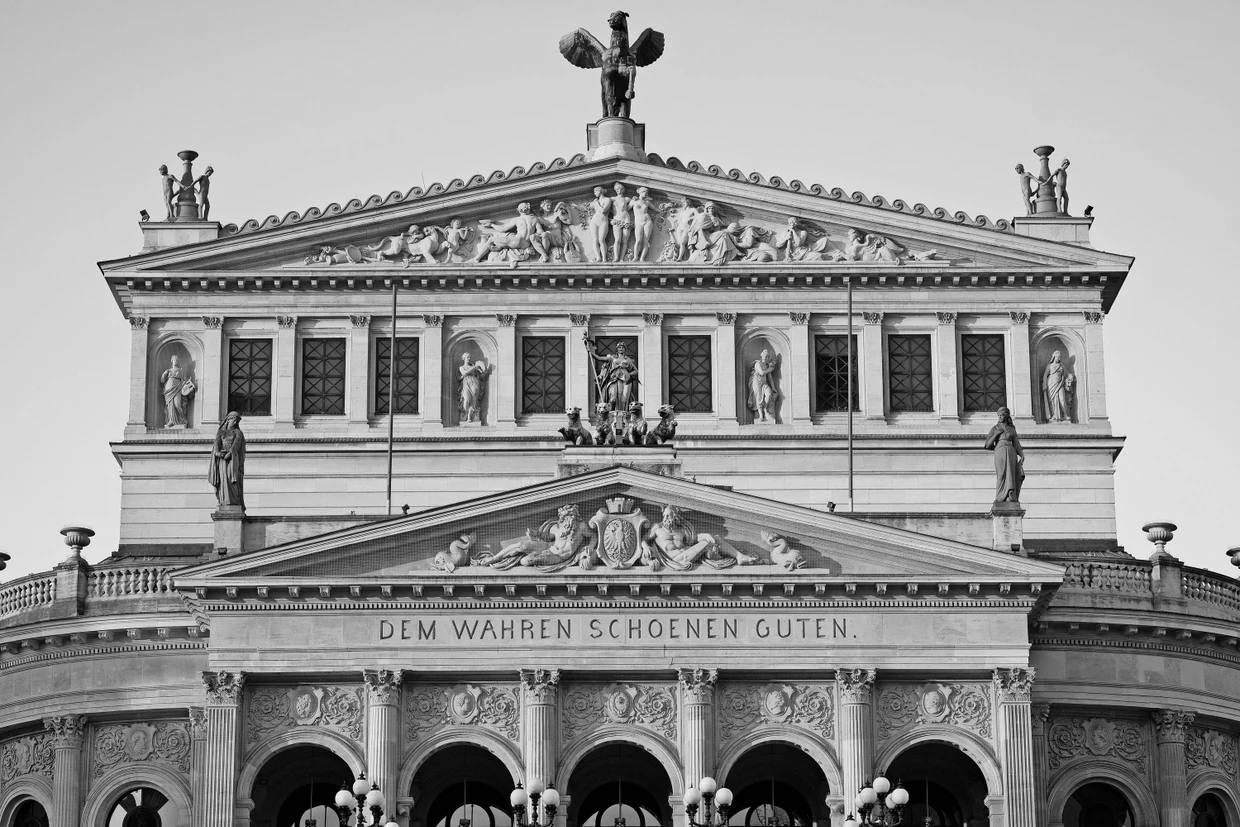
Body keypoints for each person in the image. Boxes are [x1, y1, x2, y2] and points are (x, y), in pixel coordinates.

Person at [585, 339, 638, 421]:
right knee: (612, 399)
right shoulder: (612, 358)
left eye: (622, 347)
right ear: (617, 349)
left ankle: (622, 418)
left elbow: (635, 371)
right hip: (614, 380)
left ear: (625, 349)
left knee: (624, 400)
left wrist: (629, 374)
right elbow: (598, 358)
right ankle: (609, 417)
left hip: (626, 381)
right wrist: (590, 352)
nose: (621, 349)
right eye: (619, 347)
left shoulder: (628, 360)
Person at [983, 407, 1024, 503]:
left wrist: (1021, 454)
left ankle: (1010, 495)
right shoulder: (995, 428)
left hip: (1011, 452)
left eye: (1002, 415)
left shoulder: (1011, 429)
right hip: (1000, 452)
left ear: (1006, 416)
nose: (1000, 417)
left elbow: (1016, 443)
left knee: (1011, 474)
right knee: (1001, 475)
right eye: (999, 415)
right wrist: (995, 435)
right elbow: (987, 445)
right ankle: (999, 497)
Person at [208, 412, 246, 508]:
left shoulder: (238, 432)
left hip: (233, 459)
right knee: (224, 478)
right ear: (228, 420)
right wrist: (217, 453)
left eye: (237, 421)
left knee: (232, 479)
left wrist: (230, 453)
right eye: (233, 419)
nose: (235, 422)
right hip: (222, 459)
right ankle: (225, 500)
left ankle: (233, 500)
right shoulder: (221, 431)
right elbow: (217, 443)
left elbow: (236, 445)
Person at [160, 355, 194, 428]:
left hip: (177, 387)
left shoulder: (181, 370)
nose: (176, 361)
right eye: (174, 360)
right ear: (172, 361)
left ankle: (182, 418)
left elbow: (184, 380)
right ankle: (171, 420)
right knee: (170, 405)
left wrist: (188, 385)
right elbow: (162, 381)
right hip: (168, 388)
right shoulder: (168, 371)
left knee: (177, 404)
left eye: (177, 360)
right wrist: (165, 374)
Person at [748, 350, 779, 423]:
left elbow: (770, 378)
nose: (766, 356)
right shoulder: (757, 363)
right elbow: (761, 373)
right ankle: (761, 414)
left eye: (767, 355)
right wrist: (769, 369)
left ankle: (765, 408)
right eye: (764, 355)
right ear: (761, 355)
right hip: (756, 382)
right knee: (758, 397)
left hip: (764, 382)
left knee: (769, 394)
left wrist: (773, 387)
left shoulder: (767, 366)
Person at [1042, 350, 1072, 422]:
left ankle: (1065, 415)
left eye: (1060, 357)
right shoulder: (1049, 366)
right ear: (1054, 357)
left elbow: (1067, 374)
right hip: (1051, 383)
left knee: (1062, 399)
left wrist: (1070, 377)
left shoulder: (1062, 365)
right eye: (1058, 357)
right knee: (1052, 400)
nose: (1059, 359)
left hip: (1060, 383)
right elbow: (1045, 375)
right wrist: (1045, 384)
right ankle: (1054, 415)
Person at [459, 353, 490, 422]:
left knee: (473, 401)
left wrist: (484, 371)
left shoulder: (474, 367)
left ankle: (469, 417)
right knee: (466, 400)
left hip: (475, 382)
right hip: (466, 383)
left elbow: (481, 376)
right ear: (463, 358)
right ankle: (466, 413)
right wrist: (474, 367)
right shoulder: (462, 367)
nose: (469, 359)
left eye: (469, 357)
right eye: (467, 357)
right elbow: (464, 373)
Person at [610, 183, 634, 262]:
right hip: (616, 219)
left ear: (623, 190)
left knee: (625, 241)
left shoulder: (627, 199)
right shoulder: (612, 199)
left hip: (626, 219)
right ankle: (616, 257)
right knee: (617, 240)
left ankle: (621, 258)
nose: (618, 191)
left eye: (620, 189)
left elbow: (630, 207)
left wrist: (635, 199)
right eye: (617, 189)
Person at [630, 187, 655, 262]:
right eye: (645, 192)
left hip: (648, 221)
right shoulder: (633, 201)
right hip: (638, 222)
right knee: (638, 240)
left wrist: (667, 206)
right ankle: (635, 257)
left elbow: (656, 209)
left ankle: (642, 258)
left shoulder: (647, 202)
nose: (646, 194)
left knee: (645, 241)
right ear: (640, 192)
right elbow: (625, 209)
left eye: (647, 192)